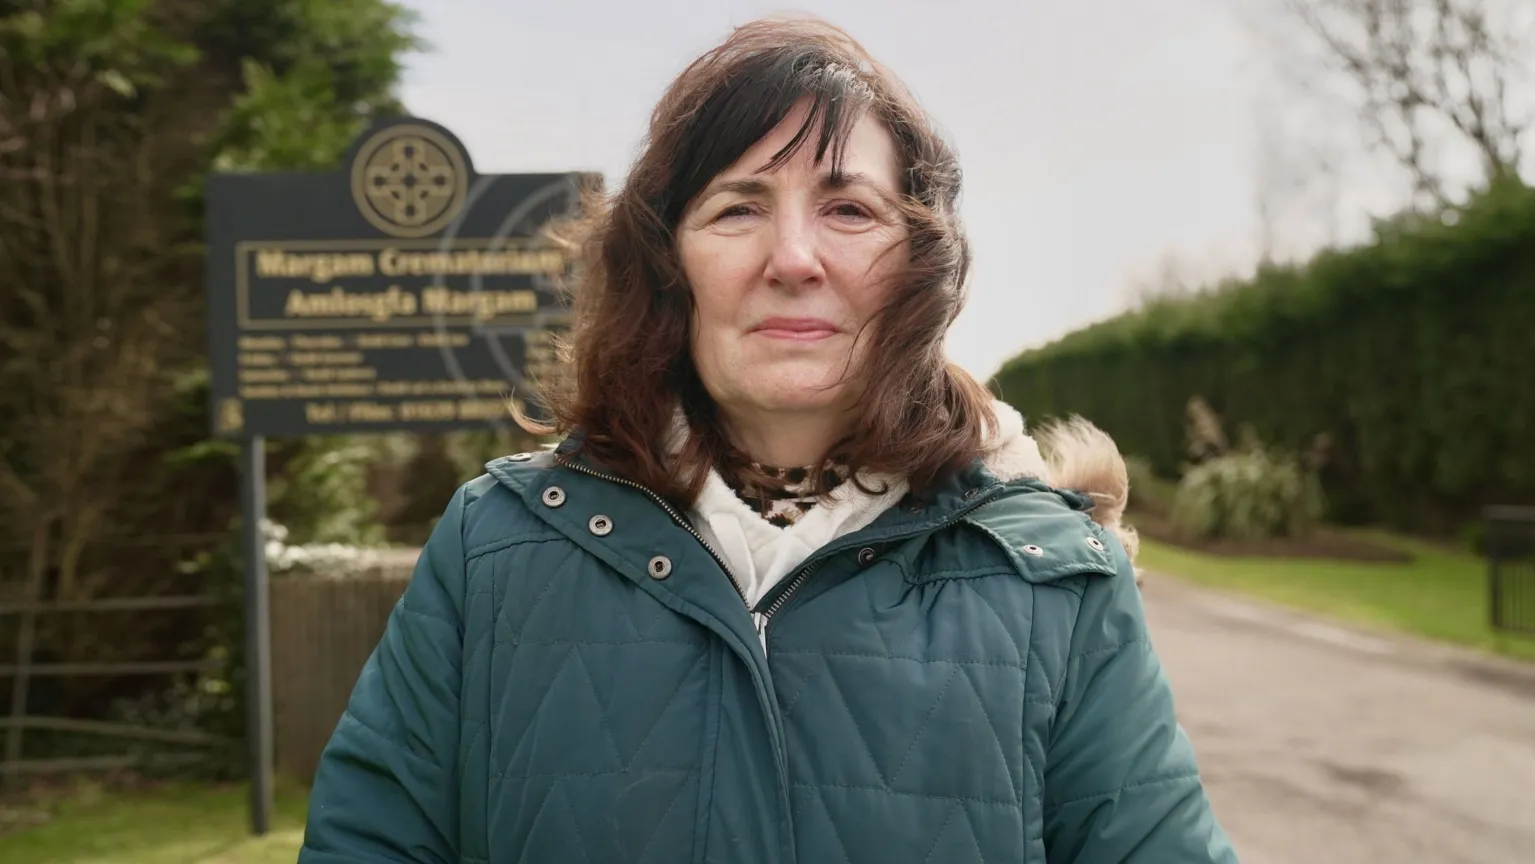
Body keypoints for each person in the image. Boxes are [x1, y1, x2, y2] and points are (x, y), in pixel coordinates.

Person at [298, 14, 1238, 864]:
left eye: (850, 210)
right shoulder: (492, 547)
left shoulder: (1057, 580)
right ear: (671, 265)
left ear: (916, 269)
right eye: (738, 208)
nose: (794, 259)